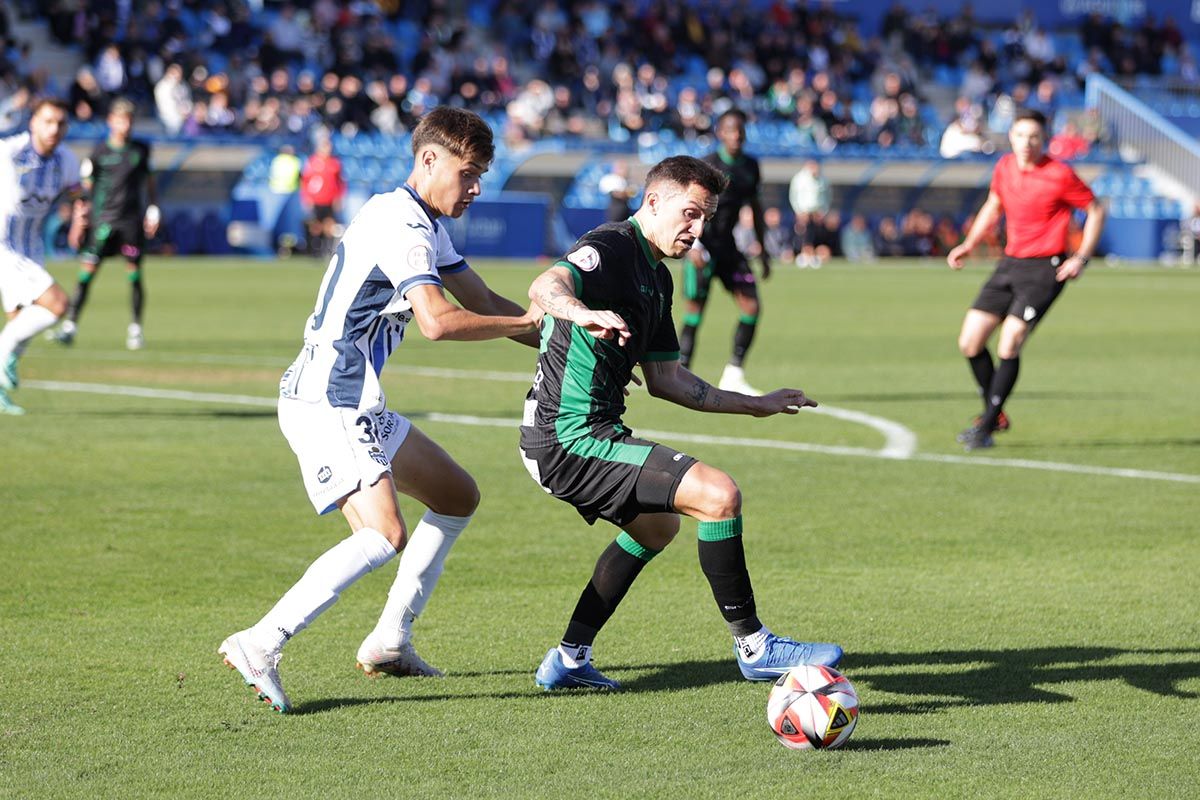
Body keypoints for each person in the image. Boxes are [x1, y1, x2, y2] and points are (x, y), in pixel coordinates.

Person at [219, 107, 542, 713]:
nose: (475, 189)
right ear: (429, 160)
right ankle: (261, 641)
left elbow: (482, 300)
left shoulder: (422, 220)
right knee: (384, 533)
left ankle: (390, 639)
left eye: (480, 177)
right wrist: (531, 321)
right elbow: (440, 322)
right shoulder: (402, 225)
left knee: (456, 495)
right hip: (329, 398)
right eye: (468, 174)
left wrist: (566, 343)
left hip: (352, 399)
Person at [520, 155, 843, 691]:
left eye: (706, 219)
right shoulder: (612, 246)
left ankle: (569, 659)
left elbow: (668, 379)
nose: (696, 230)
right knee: (718, 495)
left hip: (589, 432)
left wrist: (754, 403)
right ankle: (754, 645)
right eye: (689, 214)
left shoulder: (657, 278)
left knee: (657, 527)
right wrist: (580, 312)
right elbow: (545, 287)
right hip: (565, 437)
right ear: (653, 202)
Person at [947, 108, 1106, 451]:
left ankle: (986, 425)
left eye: (1033, 136)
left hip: (1045, 268)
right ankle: (997, 412)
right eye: (1020, 135)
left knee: (1010, 341)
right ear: (1011, 137)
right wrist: (969, 244)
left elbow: (1095, 208)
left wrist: (1081, 257)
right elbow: (994, 205)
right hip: (1010, 264)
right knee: (970, 342)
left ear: (1043, 139)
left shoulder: (1060, 174)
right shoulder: (1004, 167)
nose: (1026, 143)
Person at [49, 99, 158, 351]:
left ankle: (135, 329)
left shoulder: (141, 151)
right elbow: (84, 192)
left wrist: (153, 209)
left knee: (134, 275)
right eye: (121, 120)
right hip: (102, 223)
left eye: (129, 120)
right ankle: (70, 326)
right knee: (86, 275)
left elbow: (150, 184)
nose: (126, 125)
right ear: (111, 121)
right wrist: (79, 222)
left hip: (130, 225)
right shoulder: (99, 153)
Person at [0, 98, 84, 415]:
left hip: (31, 246)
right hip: (3, 245)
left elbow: (78, 196)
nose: (54, 129)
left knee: (20, 320)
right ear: (33, 122)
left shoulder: (66, 159)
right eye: (47, 121)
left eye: (61, 123)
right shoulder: (10, 151)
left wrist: (78, 221)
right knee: (58, 304)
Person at [678, 110, 771, 395]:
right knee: (695, 312)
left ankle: (733, 373)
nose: (737, 136)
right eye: (731, 130)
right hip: (703, 247)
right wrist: (692, 245)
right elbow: (687, 207)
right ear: (720, 132)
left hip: (729, 248)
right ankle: (679, 374)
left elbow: (754, 209)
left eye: (741, 131)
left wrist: (763, 249)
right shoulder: (707, 165)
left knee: (752, 307)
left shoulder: (751, 167)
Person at [300, 135, 346, 258]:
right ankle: (315, 249)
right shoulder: (312, 162)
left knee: (329, 225)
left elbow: (340, 183)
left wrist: (338, 198)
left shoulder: (335, 163)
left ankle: (328, 249)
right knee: (315, 225)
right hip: (316, 199)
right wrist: (307, 197)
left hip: (329, 199)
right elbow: (305, 181)